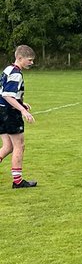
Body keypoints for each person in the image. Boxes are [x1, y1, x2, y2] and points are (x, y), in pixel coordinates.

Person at [0, 44, 37, 188]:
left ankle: (17, 180)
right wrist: (22, 109)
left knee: (8, 146)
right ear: (19, 58)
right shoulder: (16, 73)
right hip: (9, 113)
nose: (31, 63)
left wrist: (21, 102)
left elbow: (4, 92)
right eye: (29, 60)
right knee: (19, 145)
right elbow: (8, 95)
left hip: (1, 110)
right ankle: (18, 182)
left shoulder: (8, 69)